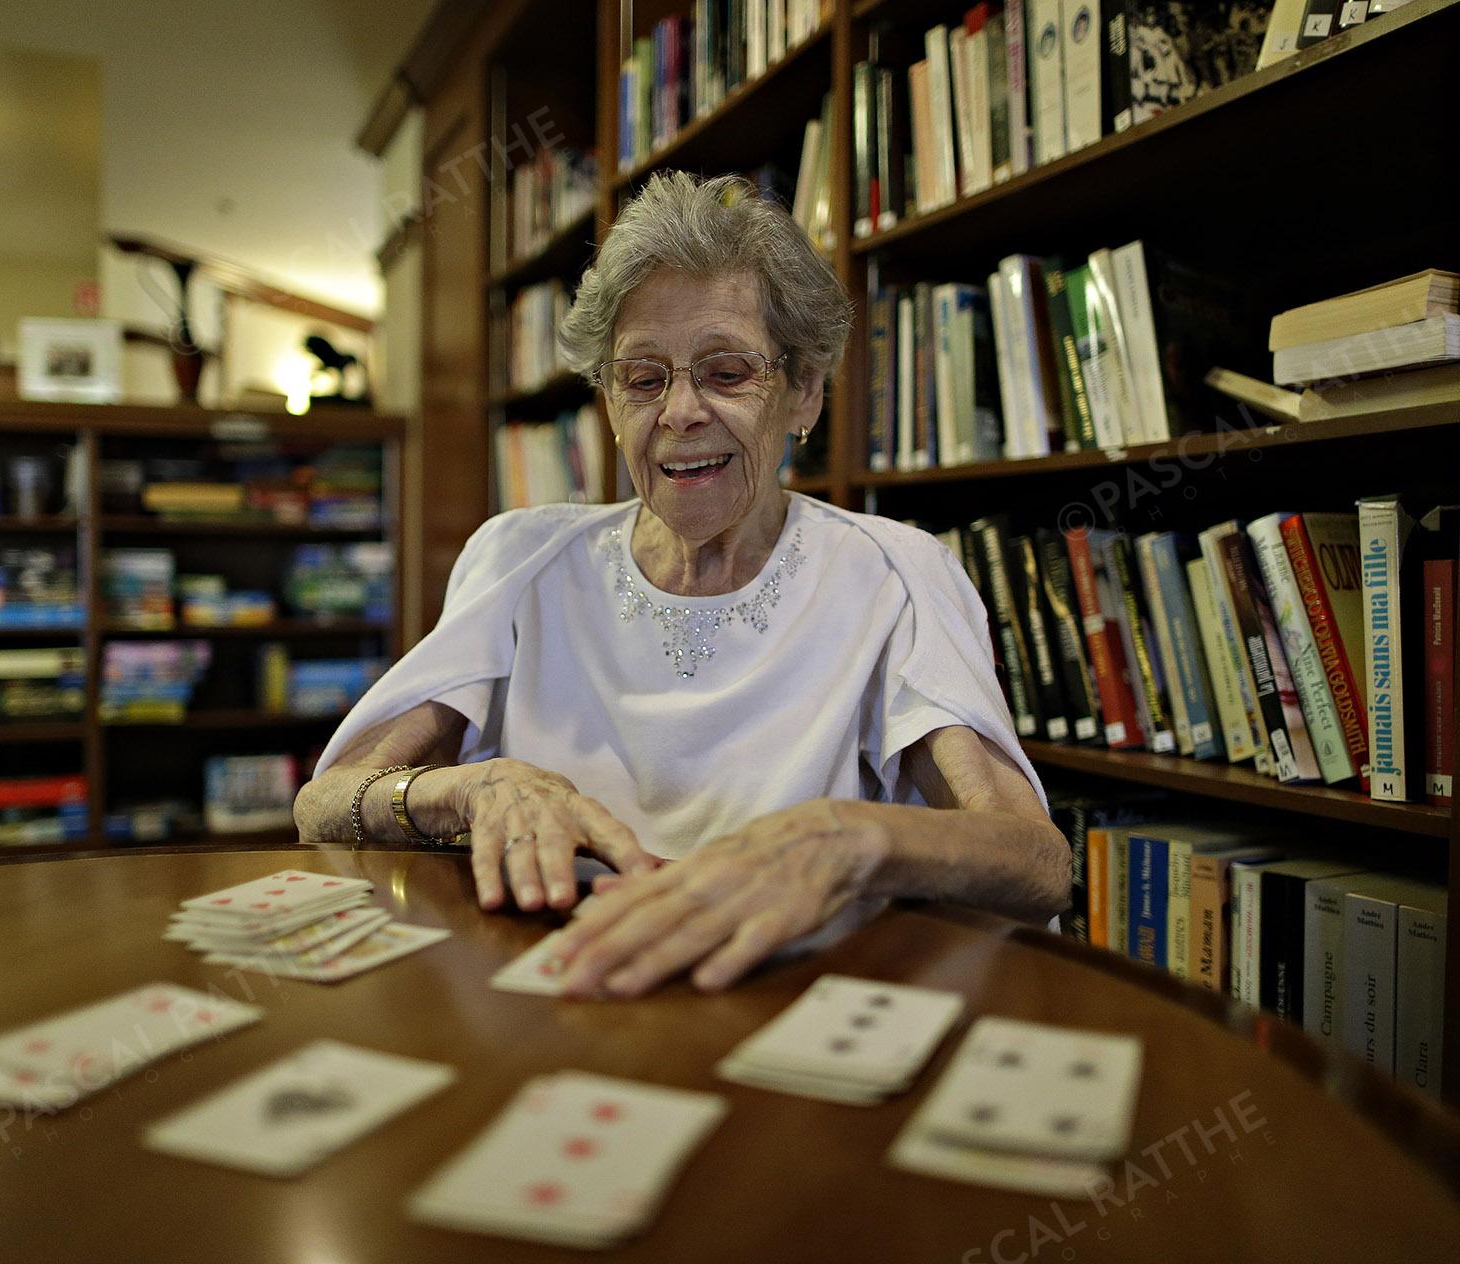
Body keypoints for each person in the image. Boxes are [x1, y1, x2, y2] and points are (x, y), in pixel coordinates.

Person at [294, 170, 1066, 998]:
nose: (681, 412)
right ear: (609, 401)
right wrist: (476, 789)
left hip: (784, 1004)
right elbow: (325, 805)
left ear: (804, 392)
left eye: (727, 372)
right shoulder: (519, 560)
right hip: (551, 998)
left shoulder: (896, 574)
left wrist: (844, 839)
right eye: (644, 378)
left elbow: (1034, 862)